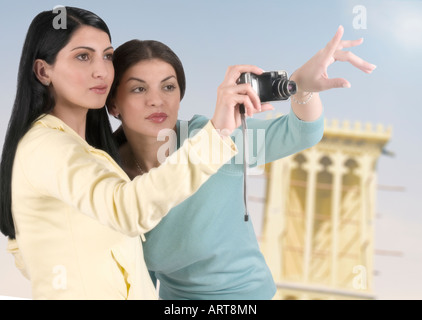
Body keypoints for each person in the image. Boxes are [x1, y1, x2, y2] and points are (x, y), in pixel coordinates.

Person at [0, 6, 267, 300]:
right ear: (43, 71)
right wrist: (216, 134)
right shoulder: (47, 146)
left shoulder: (90, 151)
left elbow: (25, 251)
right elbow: (127, 210)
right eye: (82, 56)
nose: (101, 70)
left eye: (107, 56)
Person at [107, 26, 376, 300]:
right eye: (139, 88)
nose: (157, 101)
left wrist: (302, 89)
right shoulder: (108, 177)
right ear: (114, 105)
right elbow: (138, 277)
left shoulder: (214, 138)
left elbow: (302, 131)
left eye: (168, 86)